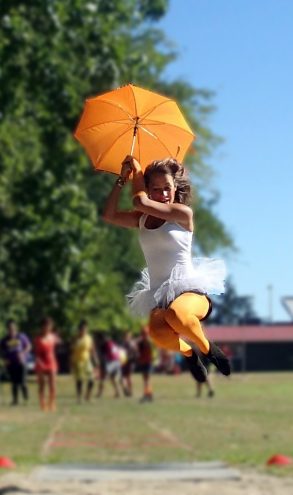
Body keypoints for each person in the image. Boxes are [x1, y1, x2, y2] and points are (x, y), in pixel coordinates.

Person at [102, 155, 231, 385]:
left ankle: (209, 350)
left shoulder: (182, 214)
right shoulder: (141, 219)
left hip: (191, 291)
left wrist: (139, 172)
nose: (163, 194)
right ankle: (189, 354)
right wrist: (122, 179)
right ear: (148, 190)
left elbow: (140, 202)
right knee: (158, 334)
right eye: (156, 189)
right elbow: (109, 215)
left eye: (167, 188)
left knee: (176, 314)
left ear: (175, 188)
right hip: (160, 294)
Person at [0, 319, 31, 405]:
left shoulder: (21, 336)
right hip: (11, 363)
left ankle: (26, 399)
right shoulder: (4, 340)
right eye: (9, 328)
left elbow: (28, 346)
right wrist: (4, 359)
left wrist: (23, 353)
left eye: (13, 328)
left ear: (15, 328)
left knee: (22, 381)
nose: (11, 330)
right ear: (7, 329)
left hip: (21, 362)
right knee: (14, 383)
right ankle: (15, 400)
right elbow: (1, 351)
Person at [34, 317, 60, 411]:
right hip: (41, 361)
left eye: (50, 325)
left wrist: (58, 339)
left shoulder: (53, 336)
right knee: (42, 384)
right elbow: (36, 353)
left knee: (53, 384)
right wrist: (39, 362)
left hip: (51, 361)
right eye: (46, 325)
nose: (48, 327)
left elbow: (58, 342)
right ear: (42, 327)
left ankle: (52, 403)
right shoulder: (38, 338)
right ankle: (42, 403)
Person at [71, 320, 98, 403]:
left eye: (85, 329)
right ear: (79, 329)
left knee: (92, 379)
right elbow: (71, 350)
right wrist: (71, 362)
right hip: (78, 361)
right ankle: (79, 397)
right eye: (82, 329)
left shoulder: (89, 338)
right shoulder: (75, 338)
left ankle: (88, 395)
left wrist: (96, 359)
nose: (84, 330)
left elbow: (92, 349)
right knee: (80, 380)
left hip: (87, 360)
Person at [136, 326, 153, 402]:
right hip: (146, 362)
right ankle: (148, 394)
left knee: (146, 380)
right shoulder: (144, 342)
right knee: (146, 380)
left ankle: (147, 395)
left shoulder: (145, 342)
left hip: (146, 362)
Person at [120, 331, 137, 397]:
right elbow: (135, 353)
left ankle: (128, 390)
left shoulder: (124, 343)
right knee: (127, 377)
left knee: (126, 377)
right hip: (127, 361)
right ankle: (128, 390)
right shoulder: (131, 343)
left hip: (127, 361)